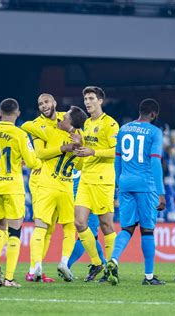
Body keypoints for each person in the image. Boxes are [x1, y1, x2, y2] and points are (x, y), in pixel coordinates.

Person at [0, 98, 42, 288]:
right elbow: (31, 161)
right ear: (18, 113)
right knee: (14, 233)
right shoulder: (19, 134)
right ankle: (9, 278)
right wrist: (36, 163)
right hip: (13, 188)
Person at [104, 99, 166, 285]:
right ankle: (148, 277)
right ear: (153, 114)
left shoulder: (123, 129)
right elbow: (155, 161)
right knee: (147, 230)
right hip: (145, 185)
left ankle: (113, 260)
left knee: (127, 228)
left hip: (125, 183)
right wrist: (161, 192)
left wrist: (118, 184)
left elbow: (117, 160)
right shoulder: (155, 132)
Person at [29, 106, 87, 282]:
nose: (60, 118)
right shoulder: (81, 139)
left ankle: (36, 265)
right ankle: (63, 261)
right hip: (67, 187)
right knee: (69, 228)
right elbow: (80, 167)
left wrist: (62, 147)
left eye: (65, 117)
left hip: (47, 186)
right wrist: (76, 145)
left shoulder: (52, 132)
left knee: (40, 227)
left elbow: (27, 128)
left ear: (70, 122)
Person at [71, 86, 119, 282]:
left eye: (91, 98)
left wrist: (93, 152)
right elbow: (84, 156)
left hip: (103, 180)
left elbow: (117, 152)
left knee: (106, 225)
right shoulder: (87, 125)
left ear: (100, 101)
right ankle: (97, 261)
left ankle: (112, 266)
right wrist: (78, 148)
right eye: (86, 99)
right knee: (79, 222)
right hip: (86, 179)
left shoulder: (110, 124)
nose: (88, 102)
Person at [21, 93, 65, 283]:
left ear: (54, 102)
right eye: (40, 104)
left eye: (46, 102)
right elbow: (40, 152)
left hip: (59, 181)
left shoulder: (66, 119)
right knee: (41, 225)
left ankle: (36, 269)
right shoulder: (36, 124)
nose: (44, 106)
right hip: (40, 179)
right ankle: (33, 269)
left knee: (49, 229)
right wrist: (62, 147)